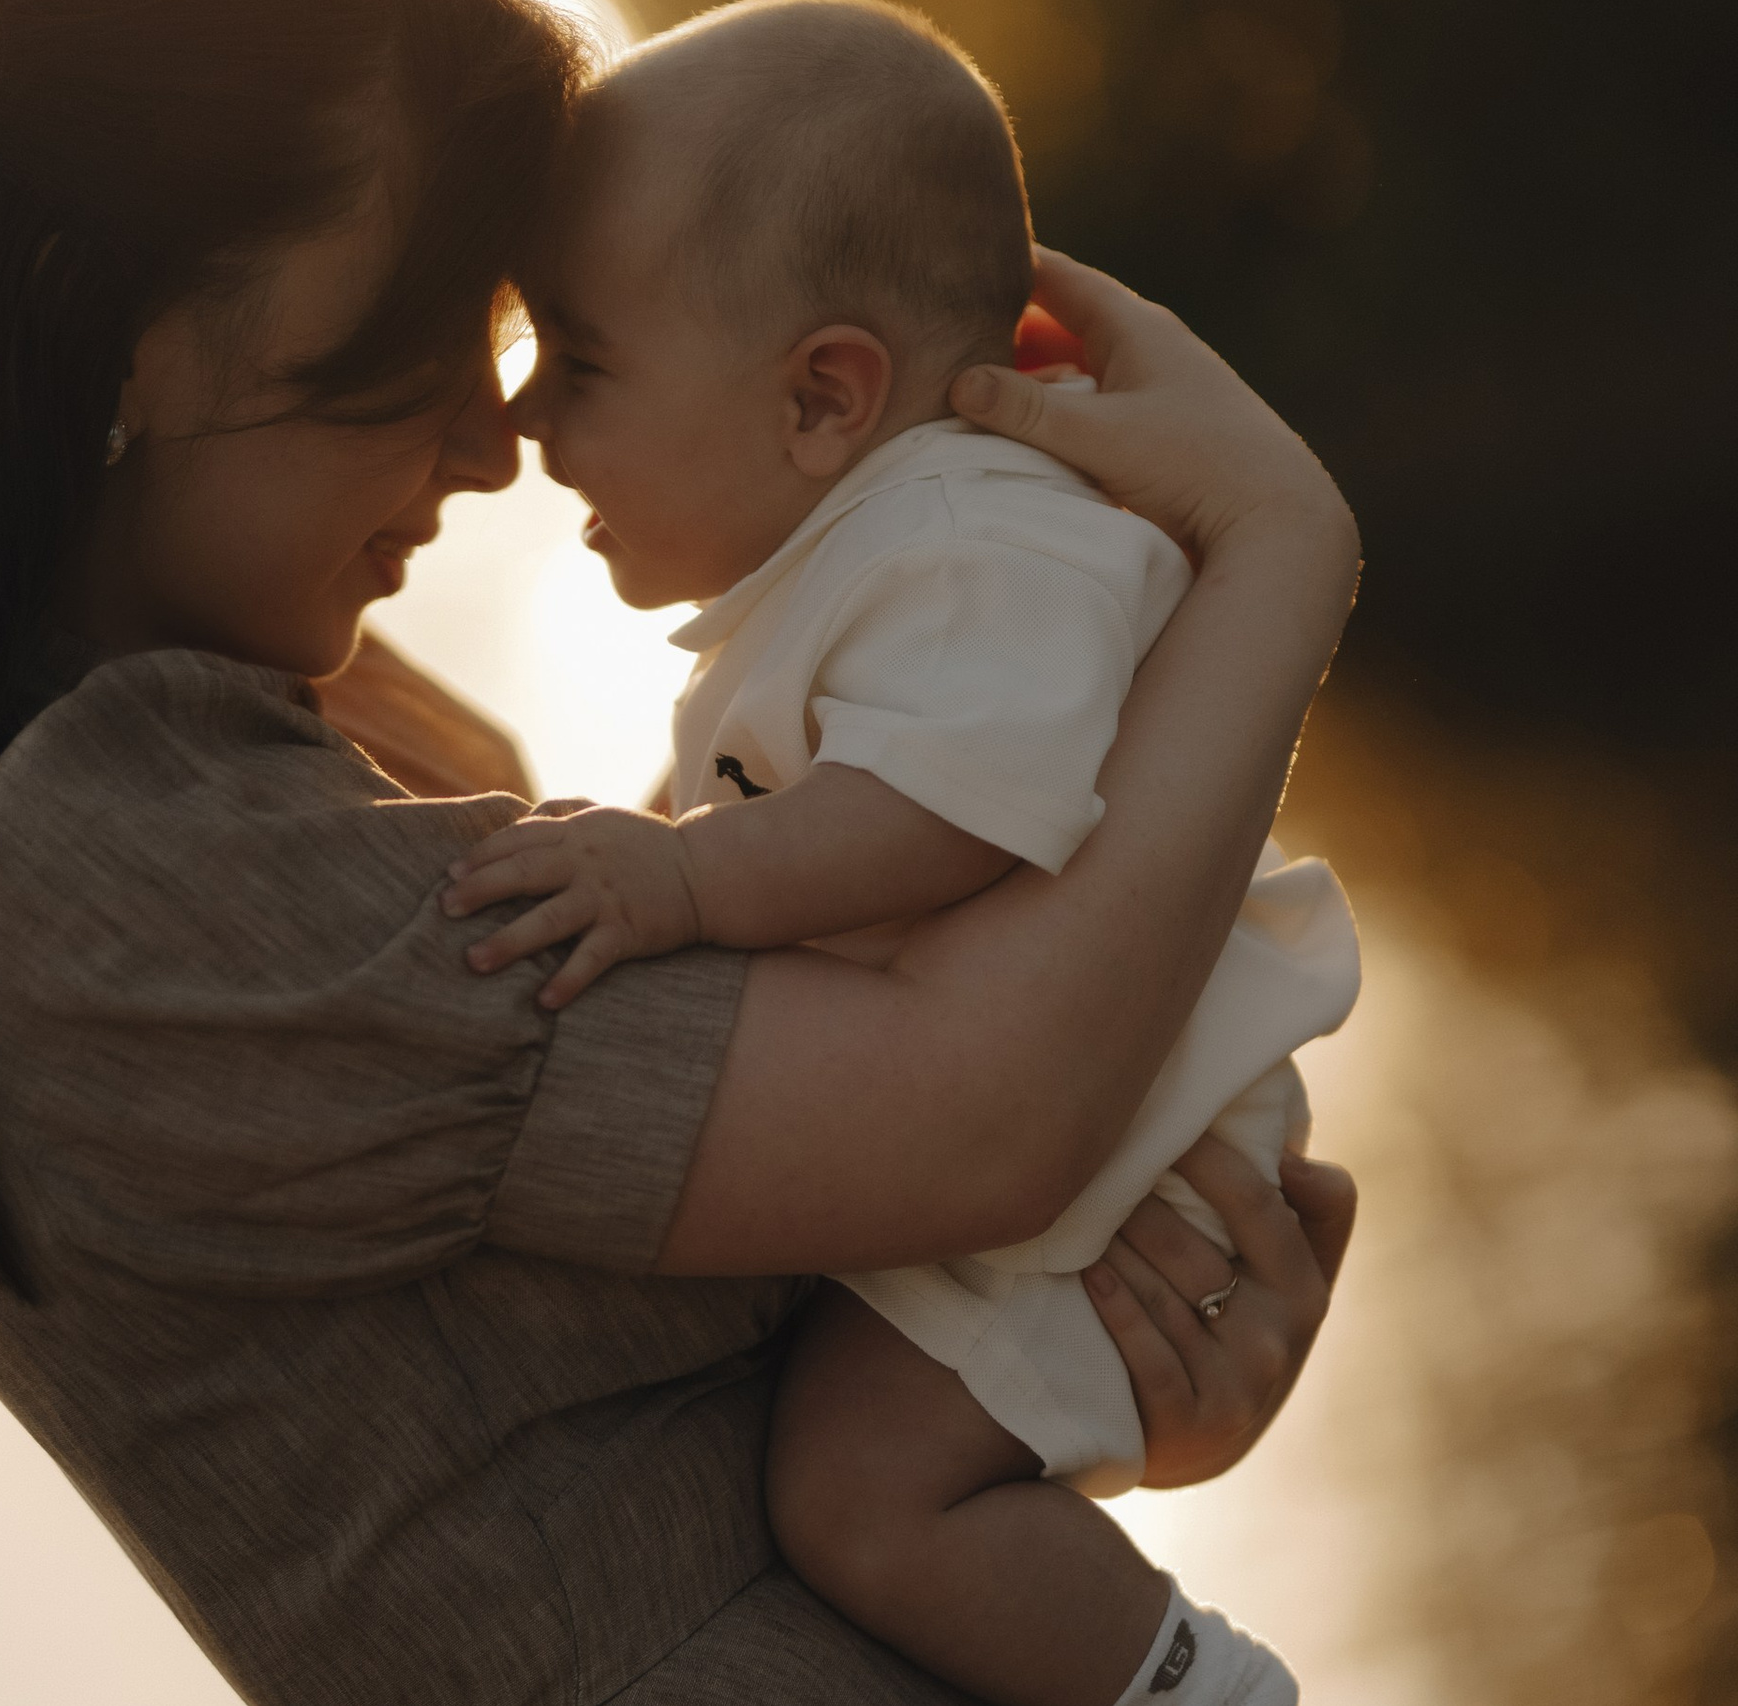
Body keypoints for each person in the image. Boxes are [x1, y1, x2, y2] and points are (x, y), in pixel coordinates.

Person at [0, 1, 1364, 1701]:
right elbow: (979, 1114)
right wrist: (1275, 548)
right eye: (408, 337)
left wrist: (1077, 1379)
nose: (492, 438)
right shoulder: (109, 876)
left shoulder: (285, 727)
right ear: (110, 336)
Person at [444, 6, 1355, 1702]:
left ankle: (1201, 1687)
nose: (530, 424)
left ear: (822, 396)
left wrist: (680, 882)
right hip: (1069, 1138)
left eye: (580, 358)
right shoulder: (859, 553)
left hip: (1128, 1160)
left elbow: (951, 809)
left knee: (864, 1491)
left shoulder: (957, 543)